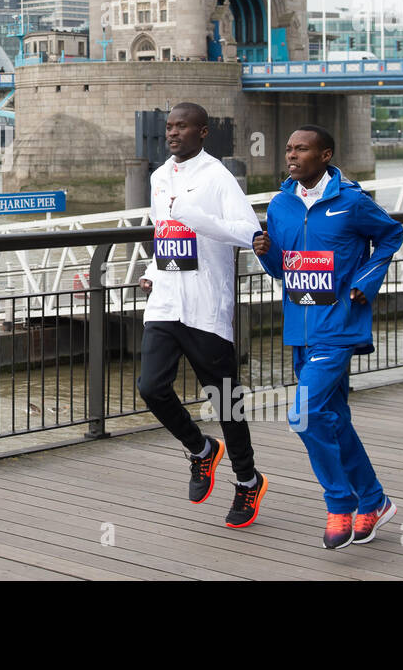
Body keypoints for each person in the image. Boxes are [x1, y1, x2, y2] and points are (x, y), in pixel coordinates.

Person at [253, 125, 403, 549]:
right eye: (288, 148)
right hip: (299, 327)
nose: (291, 155)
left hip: (338, 325)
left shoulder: (351, 202)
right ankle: (374, 500)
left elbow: (392, 235)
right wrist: (267, 253)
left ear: (325, 156)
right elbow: (286, 269)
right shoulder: (281, 205)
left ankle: (340, 503)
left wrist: (365, 281)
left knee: (302, 414)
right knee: (333, 420)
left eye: (301, 149)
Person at [138, 102, 268, 528]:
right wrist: (152, 270)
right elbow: (164, 234)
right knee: (151, 387)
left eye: (183, 127)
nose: (173, 133)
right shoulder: (158, 178)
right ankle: (200, 450)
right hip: (165, 301)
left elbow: (249, 233)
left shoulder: (217, 178)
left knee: (226, 402)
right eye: (169, 127)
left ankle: (248, 481)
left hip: (206, 308)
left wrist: (199, 218)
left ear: (203, 132)